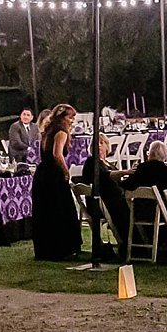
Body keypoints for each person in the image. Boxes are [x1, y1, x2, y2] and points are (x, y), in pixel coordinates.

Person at [30, 103, 82, 261]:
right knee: (60, 209)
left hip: (42, 173)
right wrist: (66, 171)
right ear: (63, 118)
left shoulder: (47, 131)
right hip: (53, 174)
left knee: (46, 211)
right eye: (70, 117)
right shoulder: (61, 132)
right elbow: (57, 154)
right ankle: (61, 248)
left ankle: (45, 248)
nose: (72, 121)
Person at [78, 130, 127, 261]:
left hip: (112, 201)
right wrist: (124, 172)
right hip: (103, 205)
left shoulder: (107, 163)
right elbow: (104, 177)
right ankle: (129, 245)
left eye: (102, 143)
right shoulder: (91, 163)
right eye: (96, 143)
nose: (99, 146)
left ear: (107, 146)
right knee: (129, 211)